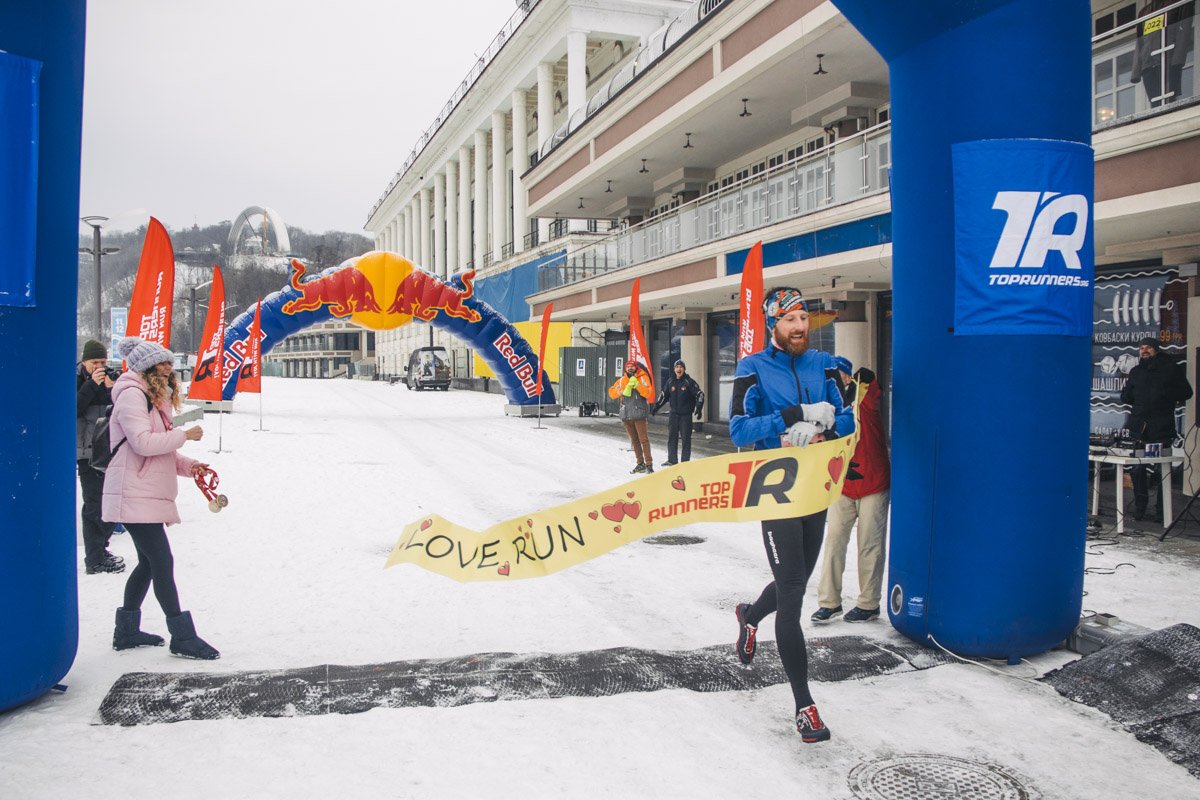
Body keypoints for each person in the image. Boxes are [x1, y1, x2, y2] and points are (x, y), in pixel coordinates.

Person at [728, 287, 854, 743]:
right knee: (794, 591)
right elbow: (739, 428)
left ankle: (748, 614)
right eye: (791, 319)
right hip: (777, 493)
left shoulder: (826, 364)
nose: (801, 327)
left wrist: (823, 423)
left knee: (793, 579)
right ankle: (805, 705)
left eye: (804, 318)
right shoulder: (753, 368)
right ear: (773, 325)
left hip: (816, 490)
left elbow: (849, 420)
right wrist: (792, 416)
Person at [102, 336, 220, 659]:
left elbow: (162, 451)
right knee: (162, 562)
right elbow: (143, 443)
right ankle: (181, 635)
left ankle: (126, 630)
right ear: (147, 368)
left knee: (148, 563)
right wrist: (184, 434)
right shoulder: (131, 396)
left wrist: (191, 466)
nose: (170, 369)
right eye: (163, 364)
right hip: (133, 494)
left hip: (145, 495)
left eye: (170, 363)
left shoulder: (155, 399)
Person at [812, 357, 891, 624]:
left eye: (838, 375)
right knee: (834, 542)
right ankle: (829, 602)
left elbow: (873, 390)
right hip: (843, 484)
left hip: (872, 482)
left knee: (869, 545)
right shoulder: (826, 407)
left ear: (846, 376)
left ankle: (869, 604)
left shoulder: (862, 398)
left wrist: (867, 379)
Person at [1120, 336, 1193, 522]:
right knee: (1137, 469)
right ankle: (1140, 508)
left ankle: (1162, 511)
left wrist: (1164, 394)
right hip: (1139, 428)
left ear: (1156, 349)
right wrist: (1130, 395)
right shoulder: (1136, 371)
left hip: (1161, 427)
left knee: (1163, 468)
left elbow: (1187, 392)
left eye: (1148, 347)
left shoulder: (1169, 368)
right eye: (1141, 348)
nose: (1144, 350)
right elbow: (1126, 397)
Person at [76, 339, 125, 575]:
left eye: (103, 362)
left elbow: (115, 410)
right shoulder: (75, 379)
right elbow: (72, 408)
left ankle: (101, 549)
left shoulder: (107, 378)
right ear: (84, 361)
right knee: (94, 504)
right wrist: (91, 386)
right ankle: (93, 559)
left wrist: (111, 388)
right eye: (95, 362)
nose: (99, 366)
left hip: (106, 449)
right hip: (85, 451)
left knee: (109, 503)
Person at [1131, 0, 1195, 108]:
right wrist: (1136, 71)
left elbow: (1184, 32)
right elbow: (1139, 42)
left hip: (1169, 59)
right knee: (1155, 104)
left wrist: (1177, 60)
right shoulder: (1144, 12)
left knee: (1170, 101)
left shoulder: (1178, 3)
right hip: (1148, 64)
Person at [652, 359, 704, 466]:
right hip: (673, 415)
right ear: (674, 369)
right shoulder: (670, 381)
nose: (679, 369)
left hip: (685, 416)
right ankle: (672, 460)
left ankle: (685, 463)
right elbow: (663, 395)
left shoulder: (689, 381)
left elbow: (700, 394)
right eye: (677, 367)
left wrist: (699, 408)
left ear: (684, 369)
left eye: (681, 367)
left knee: (686, 439)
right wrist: (656, 406)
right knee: (672, 438)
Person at [608, 360, 656, 473]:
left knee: (644, 440)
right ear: (625, 368)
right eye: (628, 366)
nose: (630, 368)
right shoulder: (622, 380)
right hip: (627, 414)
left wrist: (638, 385)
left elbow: (648, 393)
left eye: (632, 366)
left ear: (636, 368)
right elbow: (611, 392)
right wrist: (621, 391)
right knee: (634, 441)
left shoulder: (642, 377)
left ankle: (649, 465)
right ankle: (640, 463)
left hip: (639, 413)